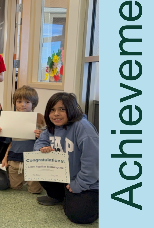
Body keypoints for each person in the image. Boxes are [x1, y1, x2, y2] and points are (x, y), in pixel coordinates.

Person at [34, 93, 99, 224]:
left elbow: (93, 163)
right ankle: (59, 196)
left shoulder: (83, 128)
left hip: (88, 181)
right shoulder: (52, 126)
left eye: (62, 109)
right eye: (52, 110)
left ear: (72, 109)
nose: (56, 114)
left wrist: (78, 185)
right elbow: (40, 142)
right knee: (40, 168)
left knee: (81, 217)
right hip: (65, 176)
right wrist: (42, 148)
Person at [4, 85, 45, 193]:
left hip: (33, 158)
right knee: (14, 187)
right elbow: (8, 141)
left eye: (27, 102)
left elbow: (48, 138)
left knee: (35, 190)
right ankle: (23, 179)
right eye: (19, 101)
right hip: (15, 156)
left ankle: (30, 180)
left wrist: (40, 135)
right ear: (15, 103)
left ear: (33, 104)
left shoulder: (39, 117)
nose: (23, 105)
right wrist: (1, 133)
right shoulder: (11, 118)